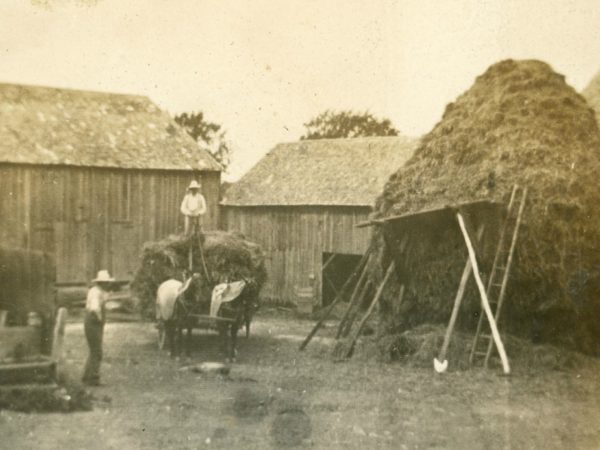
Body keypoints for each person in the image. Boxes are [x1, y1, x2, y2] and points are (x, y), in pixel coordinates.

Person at [82, 270, 115, 386]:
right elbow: (95, 308)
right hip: (93, 322)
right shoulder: (96, 293)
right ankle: (93, 378)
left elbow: (103, 298)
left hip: (91, 322)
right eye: (106, 282)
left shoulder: (96, 291)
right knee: (97, 351)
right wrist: (100, 319)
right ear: (102, 283)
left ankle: (87, 376)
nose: (108, 284)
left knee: (93, 349)